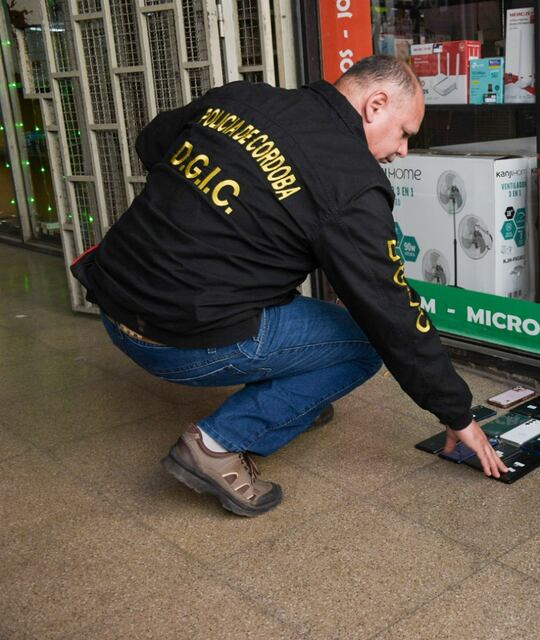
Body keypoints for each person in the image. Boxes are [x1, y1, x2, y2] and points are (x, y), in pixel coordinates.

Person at [70, 55, 509, 517]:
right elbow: (392, 313)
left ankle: (294, 400)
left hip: (113, 298)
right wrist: (457, 413)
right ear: (375, 104)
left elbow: (152, 140)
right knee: (363, 342)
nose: (402, 151)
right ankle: (218, 445)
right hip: (175, 340)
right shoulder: (352, 185)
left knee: (291, 299)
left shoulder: (244, 97)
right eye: (405, 134)